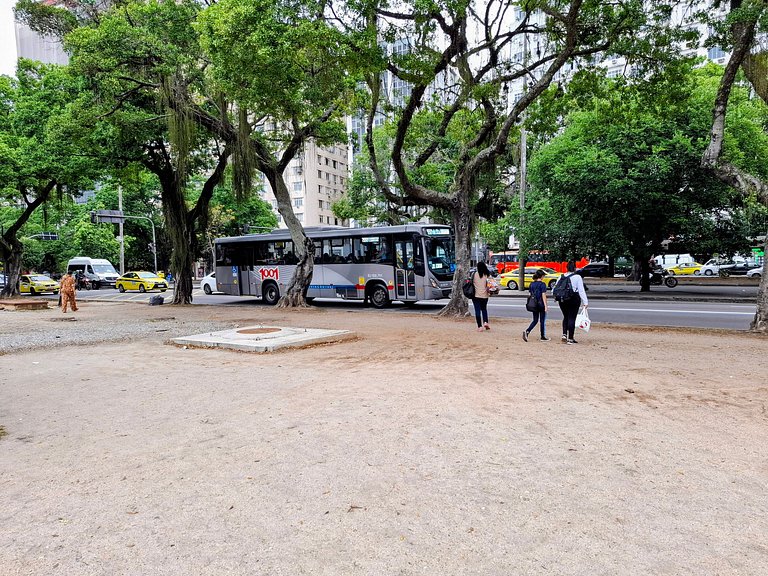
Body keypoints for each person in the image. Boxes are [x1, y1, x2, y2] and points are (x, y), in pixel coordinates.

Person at [558, 261, 588, 344]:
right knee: (572, 318)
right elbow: (581, 290)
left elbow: (555, 289)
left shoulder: (561, 276)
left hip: (562, 299)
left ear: (566, 268)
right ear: (574, 268)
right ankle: (570, 338)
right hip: (574, 298)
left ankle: (564, 334)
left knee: (566, 316)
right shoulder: (577, 277)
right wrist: (585, 302)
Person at [523, 268, 550, 342]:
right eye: (543, 276)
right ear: (541, 276)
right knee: (542, 321)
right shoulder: (542, 284)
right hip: (541, 304)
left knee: (535, 320)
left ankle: (527, 331)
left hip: (534, 304)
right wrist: (546, 306)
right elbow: (543, 295)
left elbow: (529, 294)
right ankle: (542, 336)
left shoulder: (532, 284)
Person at [471, 261, 492, 332]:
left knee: (477, 311)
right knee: (484, 309)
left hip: (476, 295)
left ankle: (479, 326)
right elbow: (491, 283)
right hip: (485, 295)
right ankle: (485, 322)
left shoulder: (474, 274)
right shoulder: (487, 274)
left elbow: (471, 283)